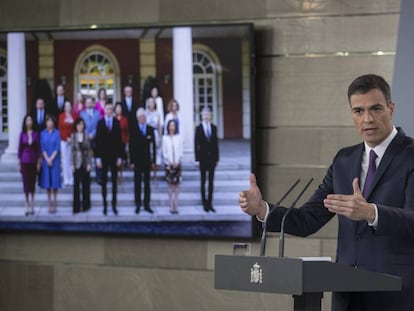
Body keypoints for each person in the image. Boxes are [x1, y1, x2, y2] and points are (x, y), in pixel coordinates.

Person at [239, 74, 414, 311]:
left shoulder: (410, 155)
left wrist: (372, 213)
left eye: (376, 109)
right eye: (358, 111)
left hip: (398, 295)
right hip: (347, 295)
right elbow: (308, 220)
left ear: (391, 109)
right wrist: (263, 210)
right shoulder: (344, 160)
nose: (368, 119)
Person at [95, 102, 123, 216]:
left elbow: (120, 141)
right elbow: (97, 141)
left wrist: (120, 156)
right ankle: (105, 205)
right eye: (107, 109)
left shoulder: (116, 122)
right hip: (103, 157)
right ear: (104, 110)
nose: (109, 110)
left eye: (111, 109)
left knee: (114, 183)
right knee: (104, 182)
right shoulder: (100, 123)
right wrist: (97, 158)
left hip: (114, 157)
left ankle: (114, 205)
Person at [129, 108, 156, 214]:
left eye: (144, 116)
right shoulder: (134, 129)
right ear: (137, 118)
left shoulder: (150, 129)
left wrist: (153, 161)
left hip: (147, 161)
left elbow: (153, 146)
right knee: (137, 183)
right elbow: (131, 146)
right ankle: (138, 204)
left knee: (147, 184)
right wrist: (131, 161)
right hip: (137, 161)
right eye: (140, 117)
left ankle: (147, 204)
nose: (142, 118)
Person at [195, 107, 219, 212]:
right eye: (204, 115)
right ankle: (204, 203)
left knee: (211, 182)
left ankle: (210, 203)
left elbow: (216, 144)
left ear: (210, 116)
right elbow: (196, 145)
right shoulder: (198, 128)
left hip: (212, 159)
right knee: (203, 181)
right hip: (202, 159)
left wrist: (217, 158)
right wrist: (197, 160)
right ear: (202, 116)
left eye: (208, 115)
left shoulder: (214, 127)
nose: (206, 117)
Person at [18, 114, 40, 215]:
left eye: (30, 120)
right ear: (25, 122)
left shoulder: (36, 134)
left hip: (34, 161)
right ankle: (27, 204)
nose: (29, 122)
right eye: (27, 120)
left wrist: (39, 162)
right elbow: (19, 150)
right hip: (24, 161)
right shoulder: (22, 134)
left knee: (32, 184)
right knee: (26, 184)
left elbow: (38, 149)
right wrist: (18, 164)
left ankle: (33, 204)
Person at [39, 114, 61, 213]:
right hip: (45, 160)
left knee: (55, 183)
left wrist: (51, 158)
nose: (50, 123)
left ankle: (55, 203)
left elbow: (57, 147)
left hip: (55, 160)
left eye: (51, 121)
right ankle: (49, 203)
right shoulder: (43, 133)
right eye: (48, 121)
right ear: (46, 123)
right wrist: (47, 159)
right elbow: (42, 147)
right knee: (47, 183)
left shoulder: (57, 133)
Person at [71, 118, 92, 214]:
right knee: (76, 186)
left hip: (84, 163)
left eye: (82, 124)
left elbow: (89, 152)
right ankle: (76, 207)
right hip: (76, 163)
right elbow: (72, 151)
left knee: (85, 186)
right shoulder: (73, 136)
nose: (80, 126)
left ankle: (86, 205)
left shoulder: (86, 136)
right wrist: (72, 164)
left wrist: (89, 164)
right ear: (76, 126)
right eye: (79, 124)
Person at [163, 119, 183, 214]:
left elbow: (180, 151)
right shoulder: (165, 138)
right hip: (169, 164)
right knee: (170, 185)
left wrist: (178, 161)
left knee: (177, 185)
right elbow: (164, 152)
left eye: (173, 125)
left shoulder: (179, 137)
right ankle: (171, 205)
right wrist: (170, 162)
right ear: (168, 127)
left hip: (178, 163)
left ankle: (176, 204)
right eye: (170, 125)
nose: (172, 127)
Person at [80, 97, 101, 183]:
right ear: (85, 104)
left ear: (93, 104)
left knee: (97, 158)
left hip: (96, 138)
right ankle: (85, 177)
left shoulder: (98, 113)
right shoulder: (82, 114)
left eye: (90, 102)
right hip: (85, 138)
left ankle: (99, 177)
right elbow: (81, 126)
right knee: (85, 158)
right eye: (87, 102)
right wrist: (87, 135)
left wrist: (93, 134)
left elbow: (99, 125)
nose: (89, 104)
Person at [58, 100, 76, 186]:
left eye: (69, 106)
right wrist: (66, 138)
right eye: (66, 106)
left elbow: (76, 128)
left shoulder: (74, 116)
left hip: (73, 140)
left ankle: (71, 178)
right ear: (64, 108)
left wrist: (72, 138)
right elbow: (60, 129)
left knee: (72, 160)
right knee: (65, 160)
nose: (68, 108)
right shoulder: (61, 116)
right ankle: (66, 179)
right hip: (64, 141)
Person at [146, 96, 163, 171]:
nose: (151, 104)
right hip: (148, 132)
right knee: (149, 149)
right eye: (150, 102)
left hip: (155, 132)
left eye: (152, 102)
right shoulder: (145, 113)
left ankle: (156, 164)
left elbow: (159, 125)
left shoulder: (157, 113)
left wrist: (160, 135)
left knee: (156, 147)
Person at [114, 102, 129, 183]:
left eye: (120, 108)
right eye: (117, 108)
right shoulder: (113, 118)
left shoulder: (125, 119)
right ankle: (116, 175)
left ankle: (121, 174)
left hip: (123, 141)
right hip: (115, 142)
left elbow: (127, 131)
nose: (118, 109)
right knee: (116, 159)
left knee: (122, 159)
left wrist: (127, 141)